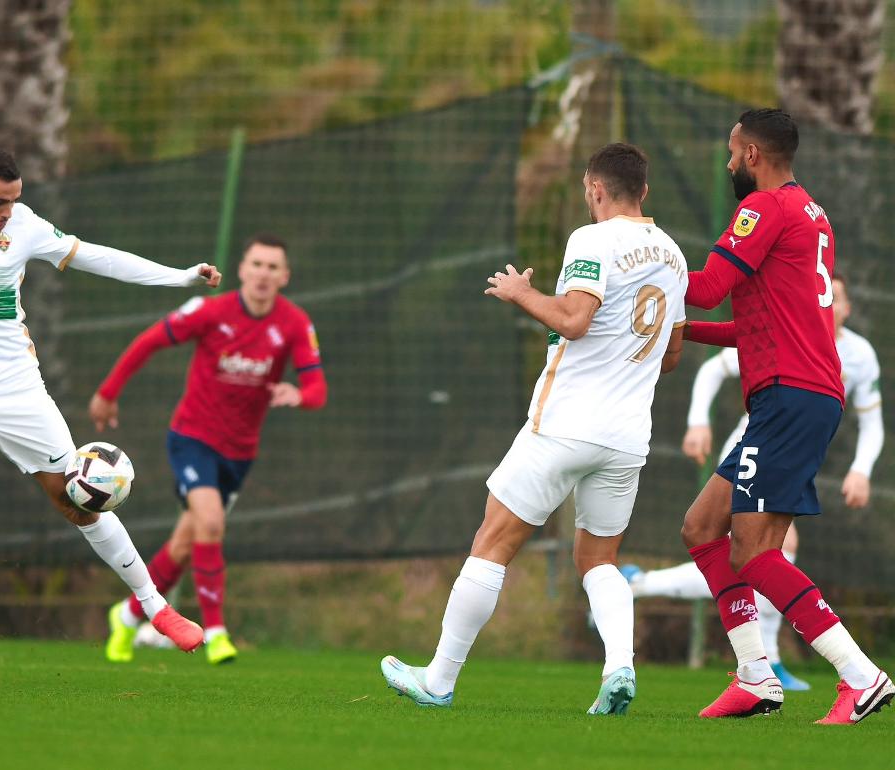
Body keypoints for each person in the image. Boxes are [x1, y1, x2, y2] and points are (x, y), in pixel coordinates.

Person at [0, 146, 218, 683]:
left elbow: (98, 256)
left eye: (14, 200)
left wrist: (178, 278)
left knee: (79, 502)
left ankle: (156, 608)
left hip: (18, 393)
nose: (7, 211)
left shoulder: (25, 226)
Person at [380, 143, 687, 714]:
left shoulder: (592, 239)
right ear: (643, 190)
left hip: (565, 424)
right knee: (599, 561)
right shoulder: (673, 255)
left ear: (595, 189)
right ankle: (619, 666)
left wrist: (522, 293)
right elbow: (669, 357)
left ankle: (439, 680)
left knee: (492, 543)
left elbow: (573, 319)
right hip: (626, 438)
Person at [677, 108, 891, 724]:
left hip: (790, 397)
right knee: (701, 527)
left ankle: (862, 676)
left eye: (731, 150)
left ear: (752, 156)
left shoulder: (764, 209)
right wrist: (685, 330)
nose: (726, 162)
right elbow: (752, 324)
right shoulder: (812, 215)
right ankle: (756, 676)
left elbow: (710, 283)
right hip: (795, 394)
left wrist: (641, 262)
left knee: (755, 554)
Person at [623, 274, 883, 693]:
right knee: (734, 539)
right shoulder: (792, 322)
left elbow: (872, 423)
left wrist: (862, 469)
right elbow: (718, 360)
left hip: (788, 434)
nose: (829, 303)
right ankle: (766, 666)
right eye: (825, 295)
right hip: (762, 436)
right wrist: (697, 420)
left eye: (836, 298)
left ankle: (800, 670)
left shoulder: (857, 353)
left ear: (847, 308)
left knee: (749, 549)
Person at [91, 233, 327, 665]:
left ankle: (125, 616)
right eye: (257, 264)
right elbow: (150, 341)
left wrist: (299, 395)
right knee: (212, 523)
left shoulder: (295, 323)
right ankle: (216, 631)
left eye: (273, 267)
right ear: (242, 269)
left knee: (187, 544)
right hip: (192, 439)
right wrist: (108, 393)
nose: (263, 274)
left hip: (239, 454)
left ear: (285, 277)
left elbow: (317, 388)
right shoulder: (211, 310)